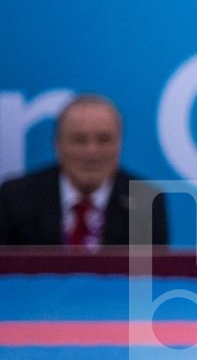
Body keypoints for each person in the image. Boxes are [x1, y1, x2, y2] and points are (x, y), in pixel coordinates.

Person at [0, 94, 169, 248]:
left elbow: (147, 271)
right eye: (79, 140)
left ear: (119, 144)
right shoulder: (16, 198)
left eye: (104, 139)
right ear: (57, 144)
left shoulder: (145, 202)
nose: (92, 151)